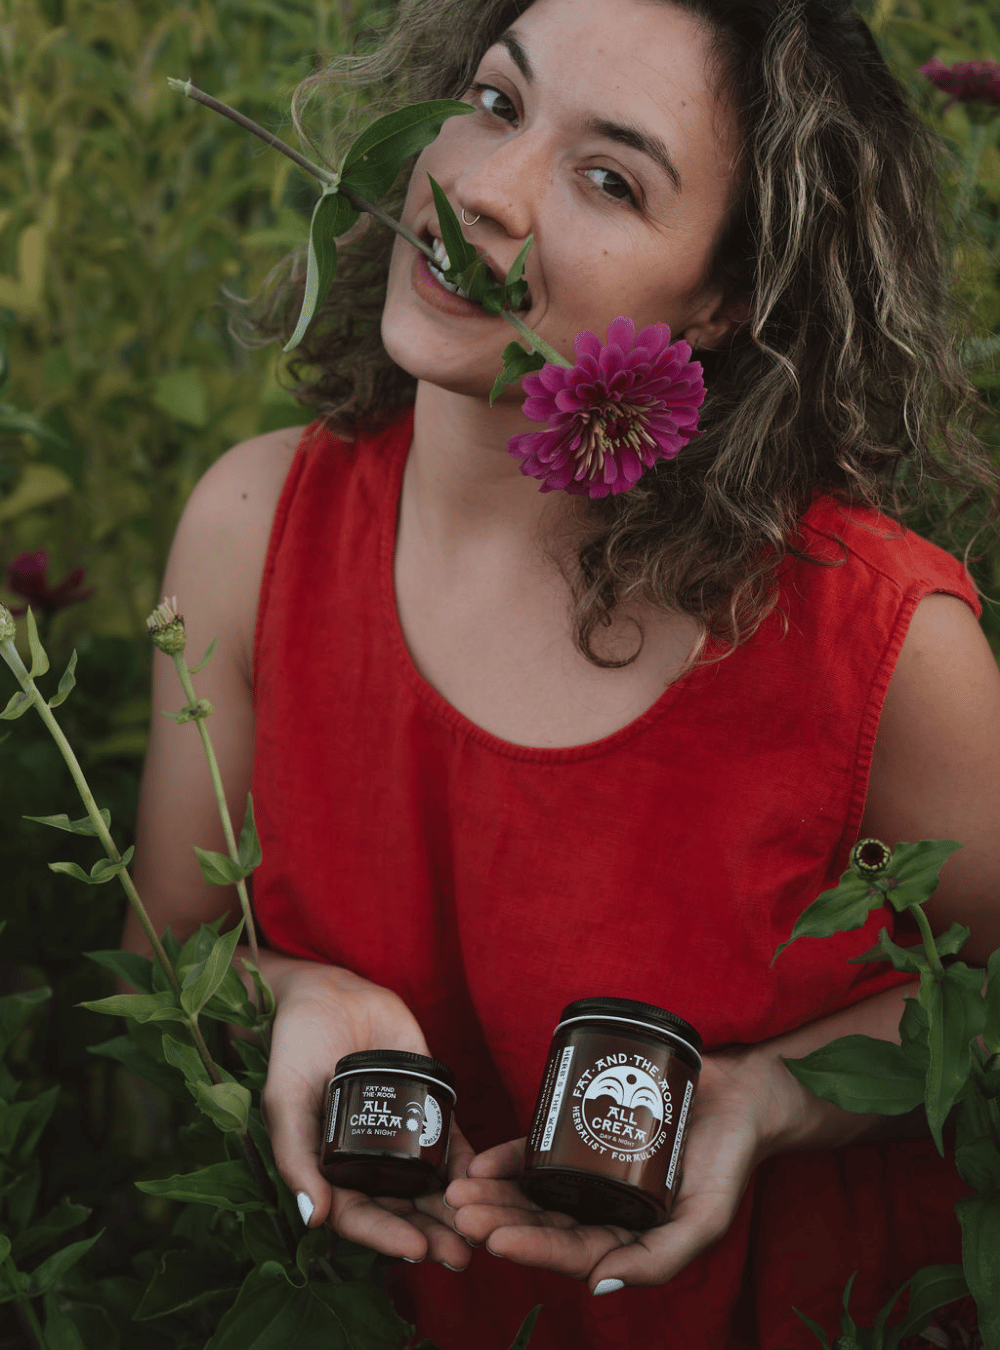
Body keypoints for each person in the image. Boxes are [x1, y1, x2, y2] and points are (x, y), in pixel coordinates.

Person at [126, 0, 1000, 1346]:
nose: (484, 188)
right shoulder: (254, 530)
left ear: (725, 299)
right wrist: (297, 995)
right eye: (493, 102)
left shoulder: (877, 640)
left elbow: (984, 998)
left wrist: (777, 1096)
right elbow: (162, 956)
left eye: (610, 179)